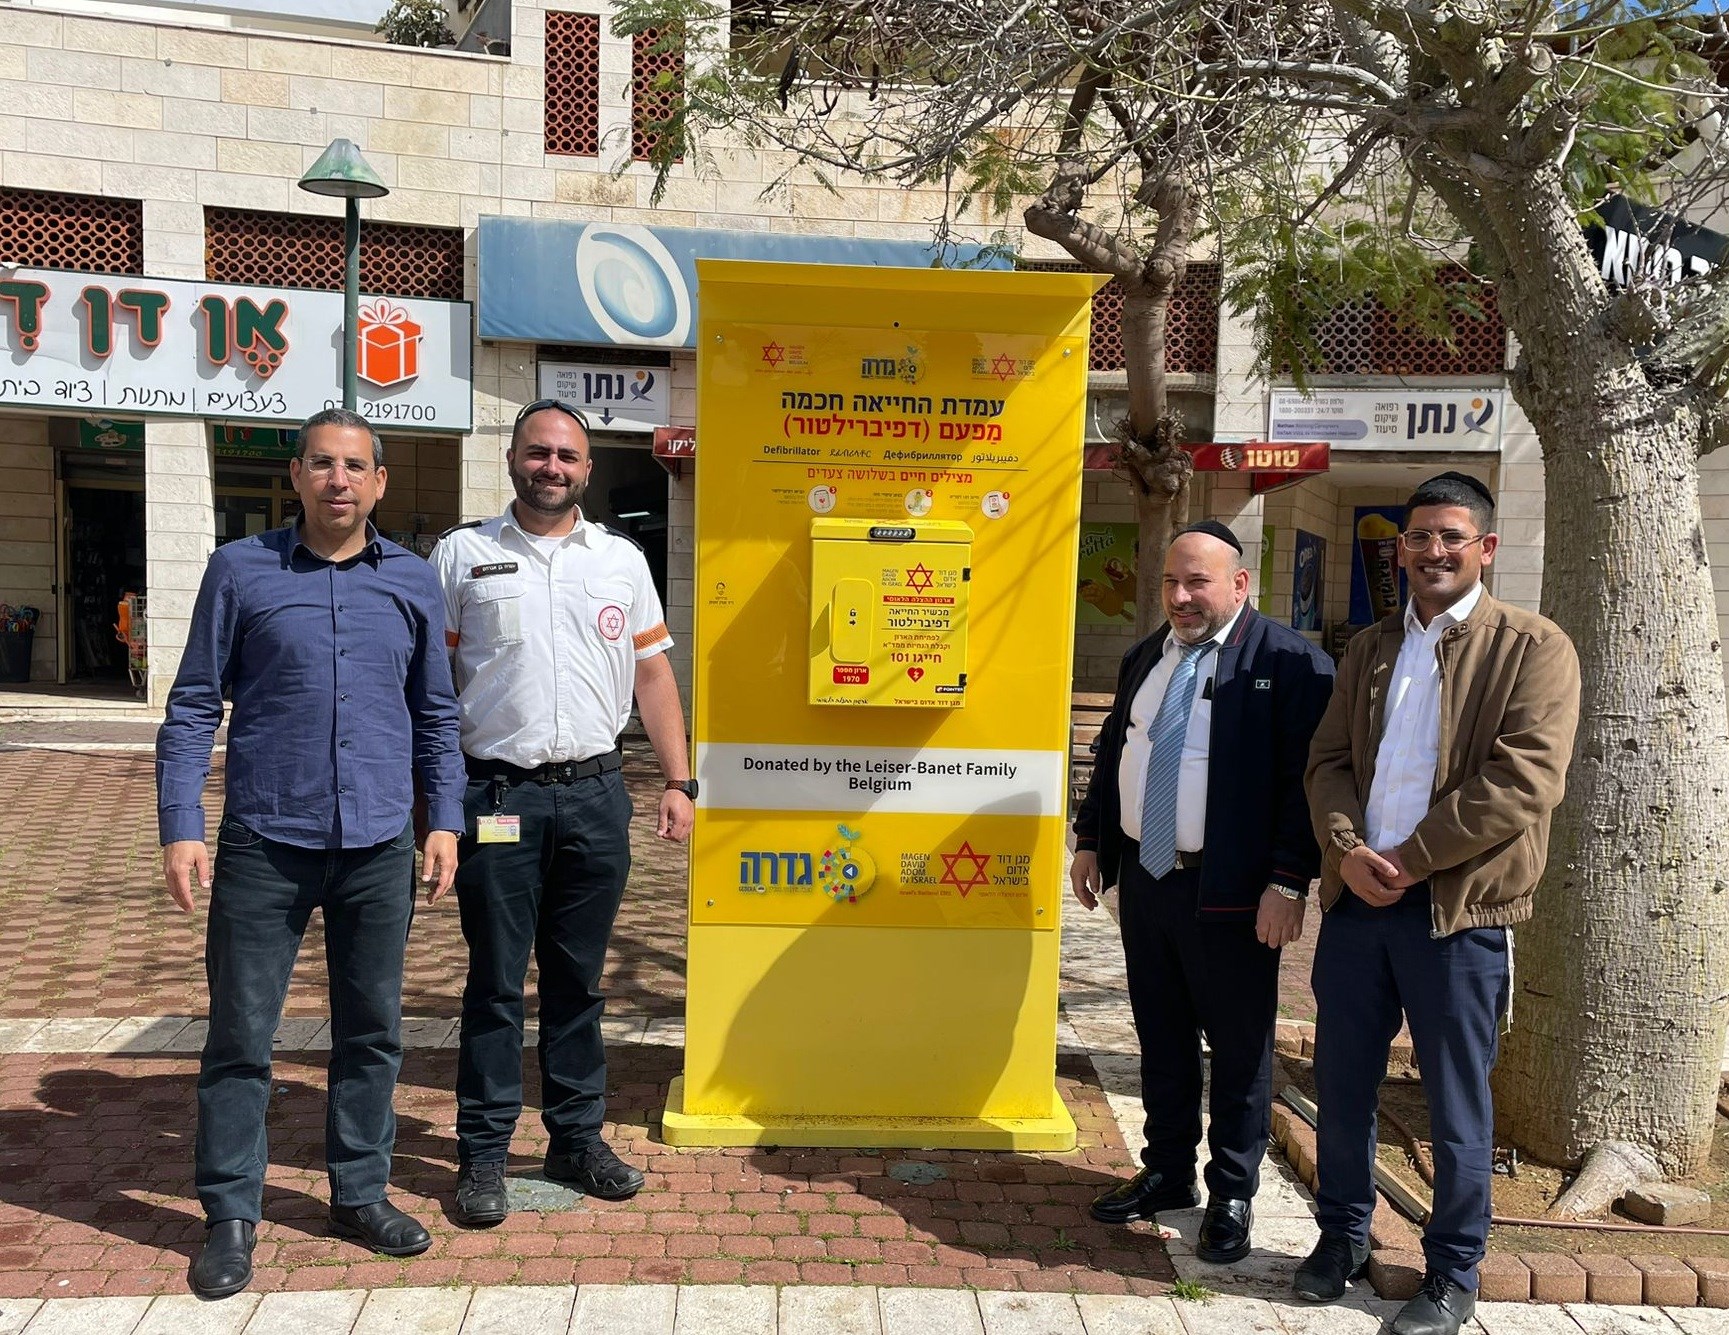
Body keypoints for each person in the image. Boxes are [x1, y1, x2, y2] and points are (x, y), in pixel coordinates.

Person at [156, 408, 466, 1301]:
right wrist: (180, 822)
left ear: (379, 482)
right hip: (266, 840)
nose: (339, 479)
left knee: (371, 1031)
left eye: (355, 466)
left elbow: (436, 713)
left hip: (377, 843)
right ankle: (229, 1213)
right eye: (322, 463)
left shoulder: (411, 581)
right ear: (295, 476)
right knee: (240, 1035)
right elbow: (193, 704)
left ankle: (359, 1193)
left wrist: (443, 819)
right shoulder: (239, 570)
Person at [1299, 473, 1580, 1335]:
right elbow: (1327, 763)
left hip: (1456, 915)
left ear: (1484, 548)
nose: (1432, 550)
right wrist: (1348, 850)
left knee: (1456, 1105)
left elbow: (1524, 779)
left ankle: (1452, 1272)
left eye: (1450, 536)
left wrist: (1410, 859)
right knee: (1342, 1085)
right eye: (1417, 536)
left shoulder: (1532, 647)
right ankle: (1341, 1236)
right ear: (1400, 549)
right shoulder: (1369, 648)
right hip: (1358, 907)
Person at [431, 399, 695, 1228]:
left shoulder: (620, 560)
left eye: (567, 455)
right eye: (538, 452)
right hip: (498, 800)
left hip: (594, 797)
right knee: (496, 982)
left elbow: (651, 675)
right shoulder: (462, 554)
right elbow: (431, 687)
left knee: (578, 981)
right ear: (513, 459)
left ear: (587, 468)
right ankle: (482, 1151)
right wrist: (433, 801)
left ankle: (575, 1139)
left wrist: (680, 779)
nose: (552, 466)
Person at [1071, 520, 1335, 1263]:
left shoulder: (1290, 663)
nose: (1180, 597)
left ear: (1239, 584)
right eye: (1170, 582)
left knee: (1240, 1047)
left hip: (1234, 893)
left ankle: (1232, 1191)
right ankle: (1166, 1171)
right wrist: (1091, 839)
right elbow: (1116, 751)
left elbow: (1307, 787)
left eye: (1197, 582)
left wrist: (1288, 881)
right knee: (1160, 1035)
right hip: (1148, 881)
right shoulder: (1144, 657)